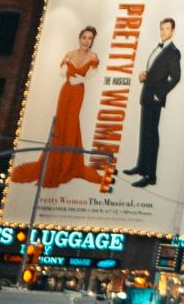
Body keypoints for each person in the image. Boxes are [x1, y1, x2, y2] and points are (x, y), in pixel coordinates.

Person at [9, 26, 110, 188]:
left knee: (71, 123)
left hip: (78, 91)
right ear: (80, 38)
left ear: (92, 41)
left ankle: (69, 163)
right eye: (85, 37)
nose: (87, 41)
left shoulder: (93, 56)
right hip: (66, 91)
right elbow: (62, 72)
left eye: (90, 38)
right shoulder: (69, 54)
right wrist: (66, 67)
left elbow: (93, 72)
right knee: (61, 123)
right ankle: (56, 161)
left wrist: (82, 80)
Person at [122, 17, 182, 188]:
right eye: (161, 28)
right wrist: (144, 75)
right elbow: (155, 72)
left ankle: (151, 175)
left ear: (173, 31)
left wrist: (160, 94)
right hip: (146, 96)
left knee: (152, 136)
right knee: (144, 133)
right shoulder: (158, 47)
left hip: (154, 99)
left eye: (167, 29)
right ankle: (142, 167)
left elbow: (176, 77)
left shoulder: (173, 52)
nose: (163, 32)